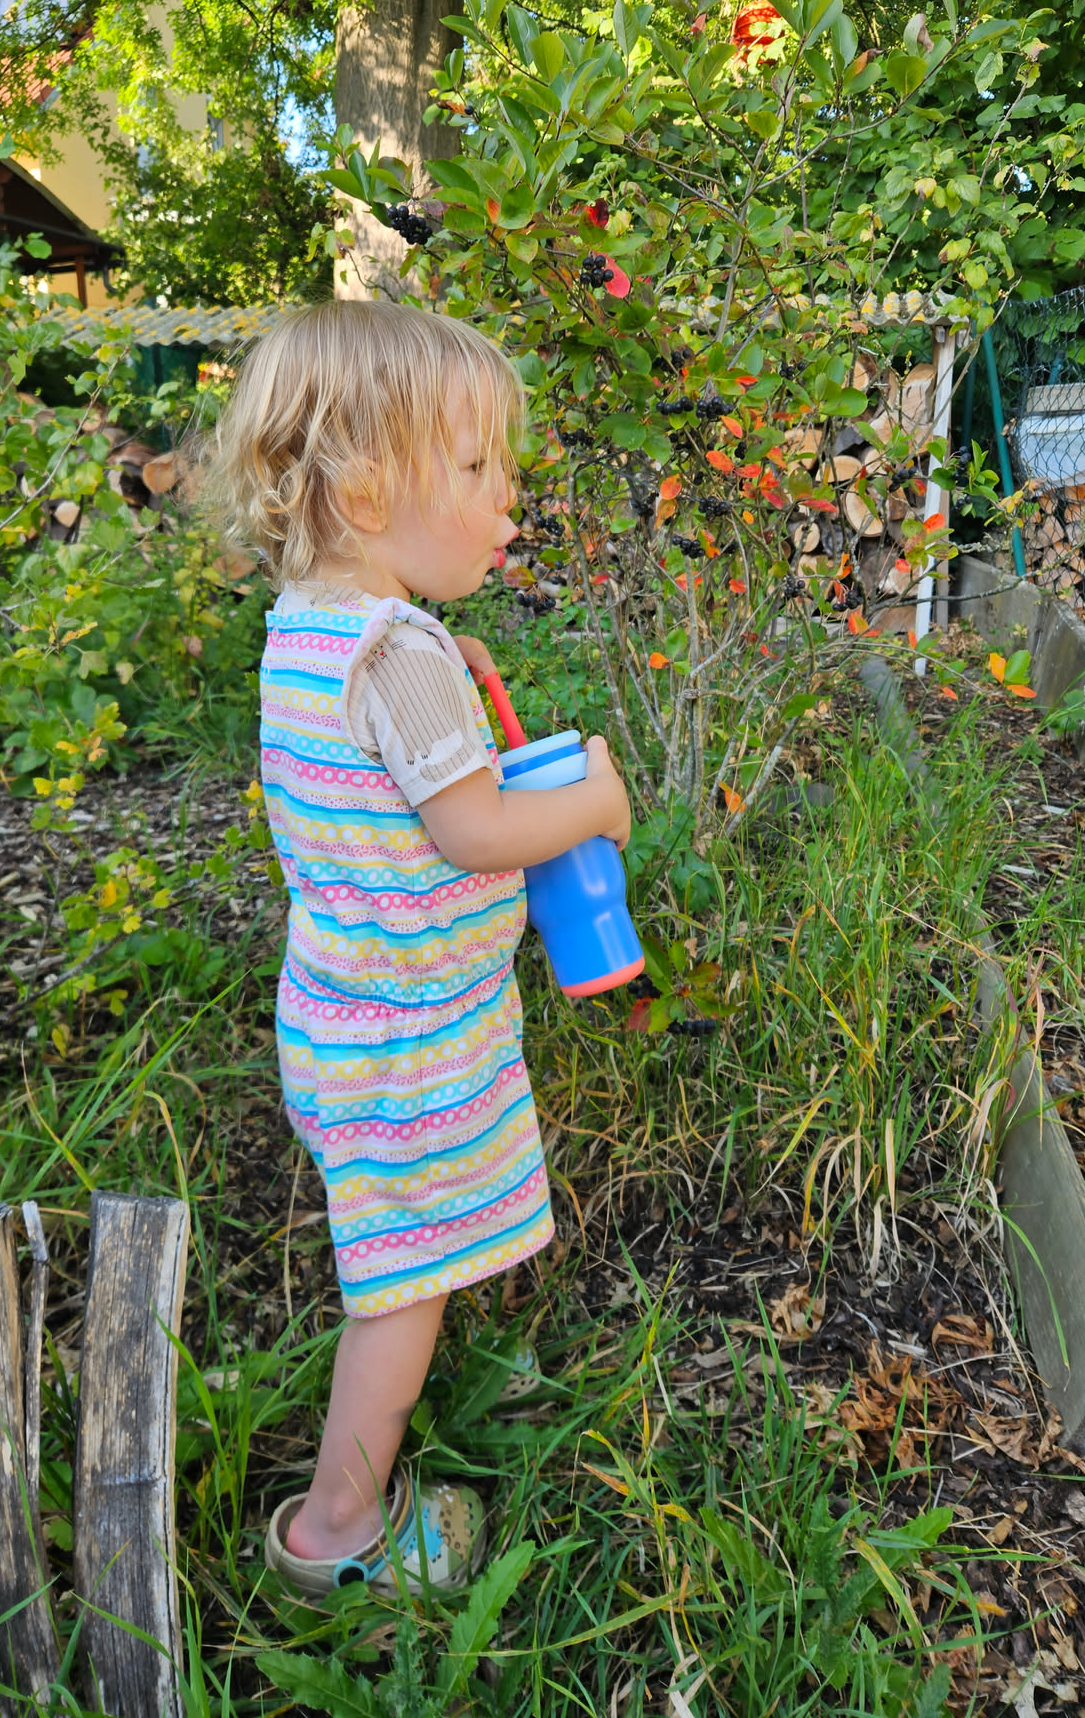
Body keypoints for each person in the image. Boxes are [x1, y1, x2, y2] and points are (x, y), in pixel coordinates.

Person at [199, 300, 631, 1600]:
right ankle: (337, 1533)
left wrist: (449, 672)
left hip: (343, 1011)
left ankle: (369, 1464)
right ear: (367, 487)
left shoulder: (313, 625)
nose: (507, 500)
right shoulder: (401, 655)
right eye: (479, 466)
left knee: (400, 1251)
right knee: (403, 1289)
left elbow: (375, 765)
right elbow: (472, 828)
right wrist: (598, 803)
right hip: (414, 1044)